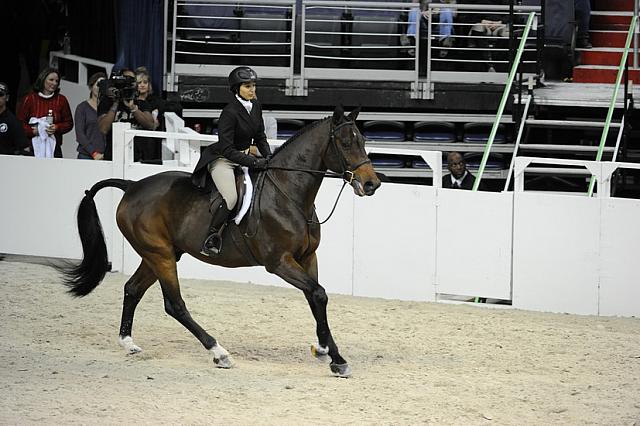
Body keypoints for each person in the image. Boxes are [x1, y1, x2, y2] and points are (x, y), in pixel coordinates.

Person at [191, 66, 272, 256]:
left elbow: (260, 136)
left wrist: (268, 156)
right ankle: (210, 237)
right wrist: (253, 162)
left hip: (244, 158)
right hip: (223, 159)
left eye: (253, 86)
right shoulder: (229, 112)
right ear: (237, 89)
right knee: (232, 197)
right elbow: (227, 148)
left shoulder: (256, 106)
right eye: (247, 86)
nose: (252, 90)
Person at [97, 68, 156, 161]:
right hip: (113, 157)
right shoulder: (106, 104)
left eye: (131, 81)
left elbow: (150, 125)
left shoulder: (142, 104)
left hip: (137, 158)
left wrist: (133, 108)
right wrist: (115, 104)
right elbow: (103, 129)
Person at [17, 67, 74, 158]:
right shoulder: (29, 99)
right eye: (51, 80)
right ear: (43, 79)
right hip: (32, 148)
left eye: (56, 81)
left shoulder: (61, 100)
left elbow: (69, 123)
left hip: (55, 148)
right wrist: (33, 131)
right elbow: (19, 124)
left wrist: (56, 127)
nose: (54, 83)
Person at [133, 66, 164, 163]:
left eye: (145, 82)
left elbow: (156, 124)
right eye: (139, 83)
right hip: (135, 140)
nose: (142, 85)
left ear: (149, 85)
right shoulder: (131, 101)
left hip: (151, 141)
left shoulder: (156, 101)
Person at [74, 72, 107, 160]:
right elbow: (80, 135)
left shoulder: (109, 109)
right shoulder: (82, 108)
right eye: (98, 84)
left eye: (103, 85)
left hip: (106, 156)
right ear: (91, 87)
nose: (100, 88)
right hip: (86, 155)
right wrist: (94, 153)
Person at [0, 82, 30, 155]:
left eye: (0, 95)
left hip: (6, 164)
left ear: (7, 98)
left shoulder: (13, 122)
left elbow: (25, 149)